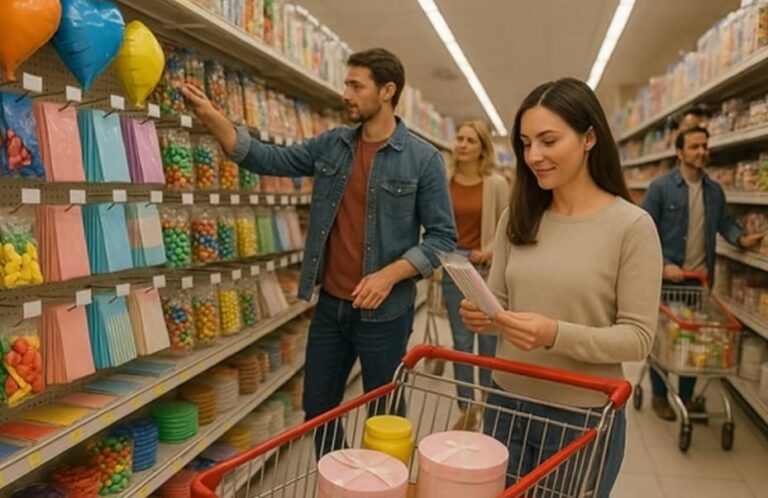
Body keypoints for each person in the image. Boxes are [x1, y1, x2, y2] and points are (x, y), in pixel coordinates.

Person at [181, 48, 457, 454]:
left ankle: (385, 485)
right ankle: (338, 480)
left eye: (355, 85)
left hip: (386, 314)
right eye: (346, 83)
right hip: (331, 307)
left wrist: (388, 275)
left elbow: (441, 238)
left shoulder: (423, 159)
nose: (345, 93)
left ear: (387, 91)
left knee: (385, 414)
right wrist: (212, 117)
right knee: (317, 409)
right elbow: (267, 158)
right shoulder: (333, 145)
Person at [459, 77, 662, 497]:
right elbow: (500, 305)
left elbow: (638, 338)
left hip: (578, 417)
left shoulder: (632, 227)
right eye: (526, 143)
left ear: (589, 137)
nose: (534, 156)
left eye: (549, 141)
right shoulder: (517, 217)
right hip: (504, 402)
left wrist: (555, 334)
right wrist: (482, 314)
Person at [642, 126, 764, 421]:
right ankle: (659, 395)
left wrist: (741, 239)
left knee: (693, 339)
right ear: (680, 152)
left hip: (698, 280)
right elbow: (643, 231)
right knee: (662, 338)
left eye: (705, 146)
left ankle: (685, 396)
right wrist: (660, 265)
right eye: (695, 147)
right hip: (667, 278)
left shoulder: (714, 190)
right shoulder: (661, 188)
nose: (702, 152)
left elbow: (724, 222)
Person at [442, 120, 509, 431]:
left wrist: (491, 248)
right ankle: (468, 407)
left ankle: (490, 404)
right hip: (453, 265)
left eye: (471, 140)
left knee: (489, 339)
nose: (463, 144)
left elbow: (505, 226)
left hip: (486, 268)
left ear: (483, 148)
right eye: (460, 138)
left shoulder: (496, 183)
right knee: (461, 341)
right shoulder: (445, 179)